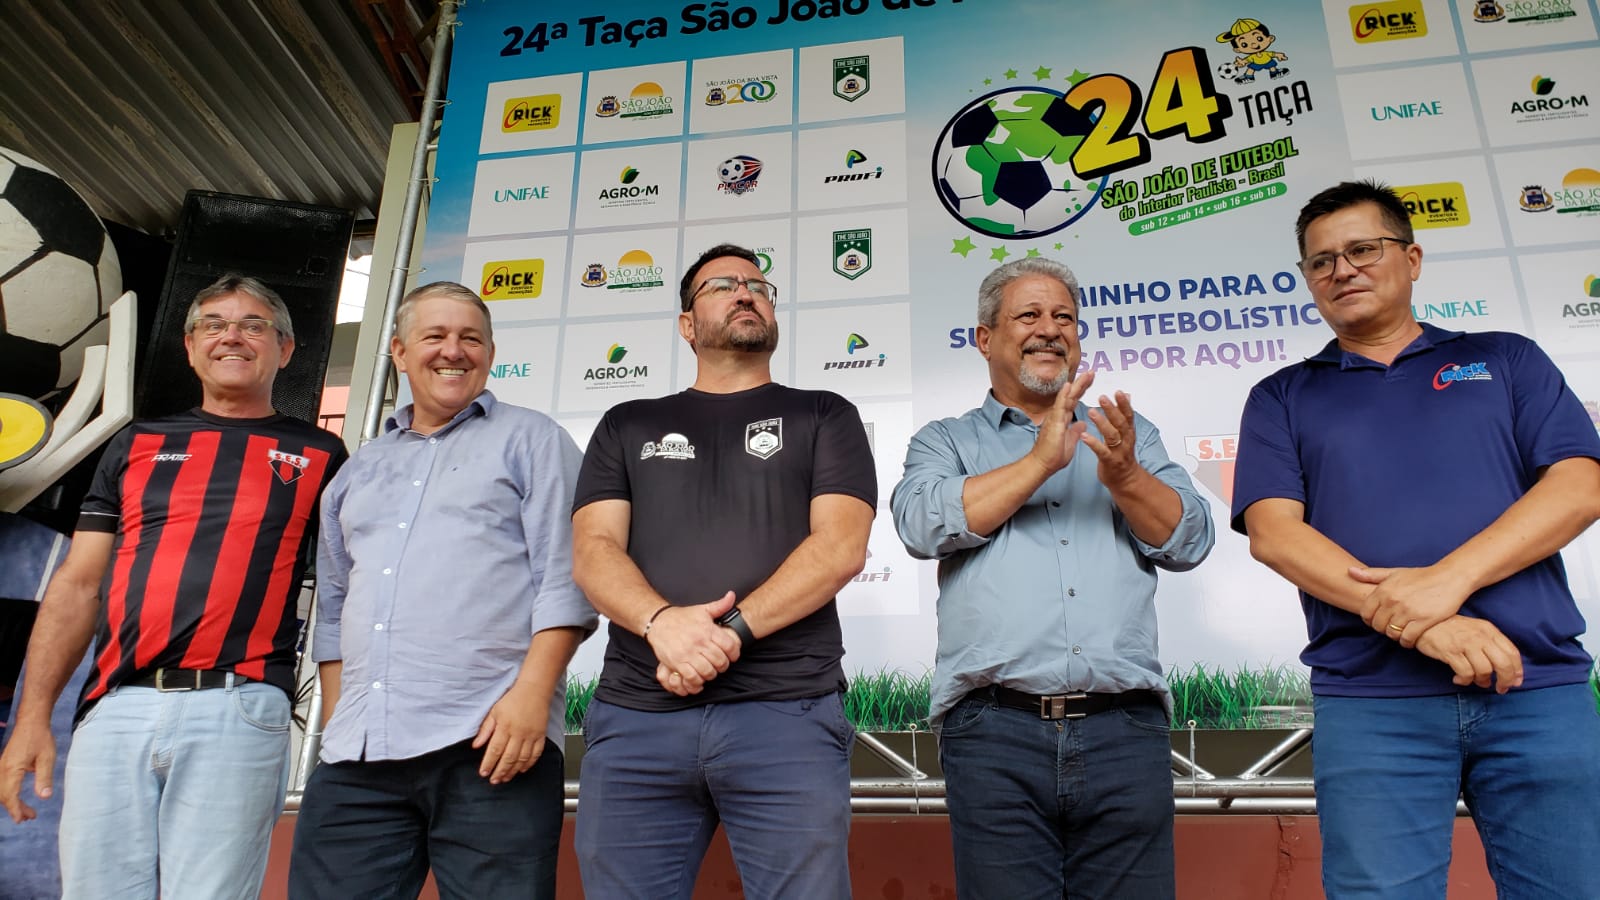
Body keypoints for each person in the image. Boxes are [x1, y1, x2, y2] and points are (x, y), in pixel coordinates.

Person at [1232, 180, 1600, 898]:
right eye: (1321, 261)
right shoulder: (1281, 396)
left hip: (1534, 686)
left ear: (1413, 258)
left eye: (1363, 250)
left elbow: (1579, 487)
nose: (1342, 270)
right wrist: (1428, 624)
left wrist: (1445, 583)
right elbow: (1275, 535)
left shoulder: (1506, 359)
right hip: (1372, 701)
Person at [0, 274, 347, 900]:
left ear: (285, 349)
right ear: (190, 347)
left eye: (253, 325)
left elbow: (352, 588)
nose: (231, 336)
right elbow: (77, 585)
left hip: (240, 705)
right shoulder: (136, 443)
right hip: (117, 707)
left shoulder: (323, 453)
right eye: (213, 324)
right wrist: (32, 719)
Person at [892, 256, 1214, 900]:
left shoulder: (1125, 437)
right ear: (985, 338)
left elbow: (1191, 540)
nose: (1049, 329)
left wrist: (1126, 476)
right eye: (1029, 315)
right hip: (993, 731)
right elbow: (921, 526)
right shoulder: (945, 440)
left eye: (1064, 317)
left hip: (1125, 729)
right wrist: (1040, 460)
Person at [570, 243, 876, 899]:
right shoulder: (627, 423)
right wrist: (661, 624)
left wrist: (723, 635)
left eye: (758, 286)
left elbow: (840, 547)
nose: (745, 293)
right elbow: (593, 549)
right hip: (637, 716)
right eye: (723, 286)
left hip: (785, 716)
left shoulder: (824, 414)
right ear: (687, 324)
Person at [288, 281, 594, 899]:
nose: (453, 351)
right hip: (359, 756)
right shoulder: (358, 470)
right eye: (435, 336)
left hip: (492, 741)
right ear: (400, 352)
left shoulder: (533, 440)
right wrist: (345, 721)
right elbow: (335, 611)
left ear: (490, 354)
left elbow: (567, 581)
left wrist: (531, 700)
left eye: (470, 338)